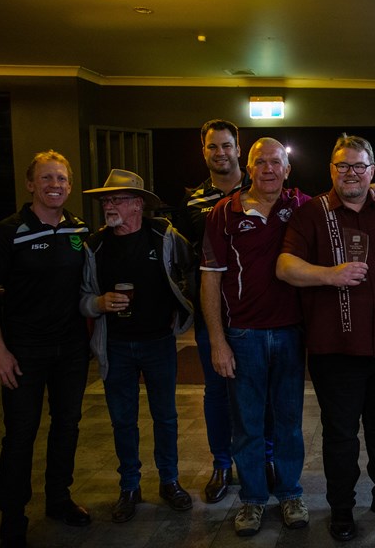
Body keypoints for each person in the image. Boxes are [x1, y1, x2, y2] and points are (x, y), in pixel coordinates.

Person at [276, 134, 375, 541]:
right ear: (331, 171)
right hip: (335, 348)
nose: (351, 173)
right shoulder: (310, 214)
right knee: (340, 434)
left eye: (359, 166)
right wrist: (329, 274)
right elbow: (285, 266)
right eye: (343, 166)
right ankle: (342, 507)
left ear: (372, 171)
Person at [0, 150, 92, 548]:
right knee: (20, 434)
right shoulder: (7, 232)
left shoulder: (80, 229)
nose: (54, 185)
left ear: (70, 185)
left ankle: (59, 499)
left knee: (67, 427)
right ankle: (13, 516)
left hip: (72, 350)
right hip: (22, 352)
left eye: (61, 179)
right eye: (46, 178)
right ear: (30, 184)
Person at [200, 137, 310, 536]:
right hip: (242, 335)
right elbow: (210, 280)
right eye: (260, 162)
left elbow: (348, 199)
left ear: (287, 169)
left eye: (275, 162)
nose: (268, 169)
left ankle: (291, 493)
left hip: (290, 334)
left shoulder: (302, 206)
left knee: (289, 424)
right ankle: (252, 500)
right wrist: (217, 340)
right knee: (246, 425)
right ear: (248, 168)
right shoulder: (223, 212)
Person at [79, 169, 195, 523]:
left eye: (116, 200)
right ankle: (129, 486)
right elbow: (82, 298)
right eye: (106, 201)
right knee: (122, 421)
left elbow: (190, 273)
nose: (108, 206)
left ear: (137, 205)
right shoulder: (93, 245)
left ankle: (169, 481)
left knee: (166, 417)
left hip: (159, 342)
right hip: (116, 346)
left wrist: (183, 314)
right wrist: (98, 304)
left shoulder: (165, 236)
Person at [172, 118, 242, 503]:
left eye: (227, 145)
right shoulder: (192, 201)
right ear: (204, 151)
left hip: (258, 312)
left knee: (257, 392)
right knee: (216, 391)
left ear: (238, 148)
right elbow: (183, 261)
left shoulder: (265, 188)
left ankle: (260, 462)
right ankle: (221, 464)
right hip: (211, 315)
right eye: (213, 147)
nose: (220, 153)